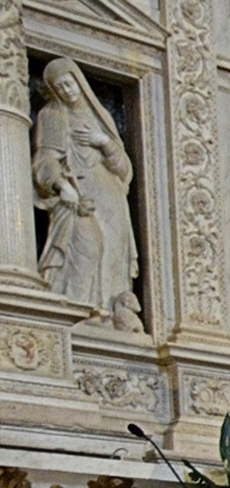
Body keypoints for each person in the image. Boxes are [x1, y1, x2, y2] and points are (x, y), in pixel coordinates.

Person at [31, 58, 139, 327]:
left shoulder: (101, 117)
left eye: (69, 83)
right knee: (87, 247)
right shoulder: (52, 115)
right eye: (59, 87)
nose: (66, 91)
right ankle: (75, 312)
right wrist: (61, 185)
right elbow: (45, 160)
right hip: (78, 196)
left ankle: (106, 315)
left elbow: (124, 170)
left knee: (112, 253)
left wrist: (104, 143)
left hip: (111, 198)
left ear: (79, 81)